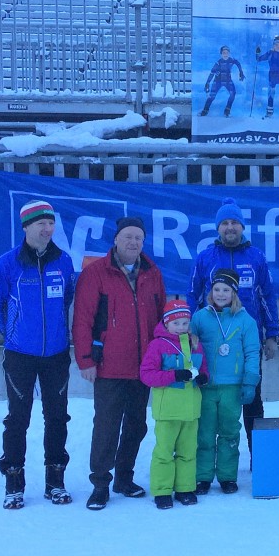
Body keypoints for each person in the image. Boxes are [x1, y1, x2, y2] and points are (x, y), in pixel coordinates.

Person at [73, 216, 166, 510]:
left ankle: (124, 478)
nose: (133, 242)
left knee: (137, 425)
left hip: (143, 366)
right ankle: (100, 484)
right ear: (115, 239)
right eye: (128, 236)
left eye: (138, 238)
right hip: (109, 366)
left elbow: (161, 318)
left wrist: (162, 357)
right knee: (106, 426)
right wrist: (85, 360)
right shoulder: (96, 273)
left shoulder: (152, 273)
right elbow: (82, 320)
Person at [0, 200, 76, 509]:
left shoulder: (63, 261)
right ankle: (14, 481)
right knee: (17, 419)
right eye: (41, 223)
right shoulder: (7, 263)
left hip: (56, 354)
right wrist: (14, 333)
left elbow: (67, 298)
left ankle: (55, 481)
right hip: (20, 355)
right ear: (26, 227)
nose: (47, 229)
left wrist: (57, 333)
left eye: (51, 223)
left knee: (57, 417)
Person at [187, 198, 279, 460]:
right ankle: (208, 460)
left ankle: (258, 458)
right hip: (211, 343)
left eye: (235, 223)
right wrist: (190, 332)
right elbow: (193, 296)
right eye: (225, 223)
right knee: (211, 402)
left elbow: (267, 296)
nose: (230, 227)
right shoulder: (205, 258)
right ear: (218, 228)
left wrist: (272, 334)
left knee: (252, 400)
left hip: (247, 343)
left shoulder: (256, 257)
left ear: (242, 227)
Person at [190, 269, 260, 495]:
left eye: (226, 290)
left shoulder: (246, 320)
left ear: (234, 293)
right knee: (204, 433)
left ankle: (227, 476)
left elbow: (252, 353)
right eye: (216, 289)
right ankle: (202, 476)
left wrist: (250, 382)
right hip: (205, 386)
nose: (220, 294)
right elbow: (189, 349)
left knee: (230, 432)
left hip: (232, 386)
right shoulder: (199, 318)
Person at [140, 300, 208, 509]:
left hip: (191, 410)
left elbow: (203, 368)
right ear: (166, 323)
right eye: (176, 323)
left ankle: (185, 488)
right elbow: (147, 375)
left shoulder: (195, 343)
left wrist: (203, 378)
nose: (181, 327)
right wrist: (174, 375)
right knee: (164, 452)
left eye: (185, 323)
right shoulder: (158, 345)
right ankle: (162, 490)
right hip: (168, 411)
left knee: (188, 451)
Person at [199, 45, 245, 117]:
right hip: (218, 81)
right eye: (224, 53)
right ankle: (205, 110)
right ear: (221, 54)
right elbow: (211, 73)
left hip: (228, 81)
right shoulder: (218, 63)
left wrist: (241, 72)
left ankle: (227, 110)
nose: (225, 54)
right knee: (212, 96)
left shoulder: (231, 60)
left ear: (229, 53)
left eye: (227, 53)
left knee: (233, 93)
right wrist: (207, 83)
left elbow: (238, 63)